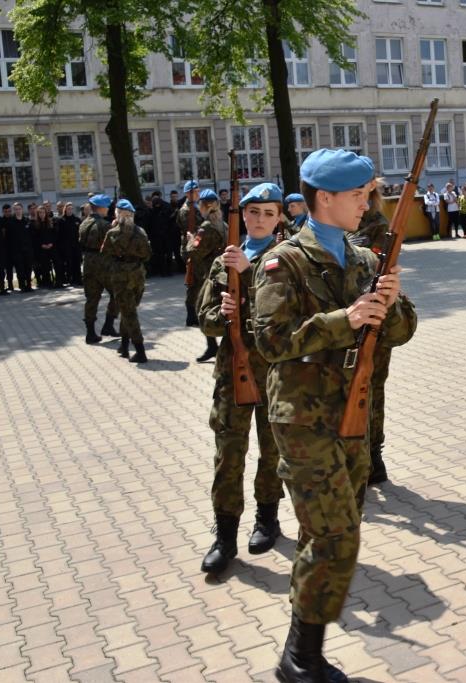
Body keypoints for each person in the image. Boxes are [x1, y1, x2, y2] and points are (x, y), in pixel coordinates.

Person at [250, 149, 416, 682]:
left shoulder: (365, 259)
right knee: (336, 534)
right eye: (357, 195)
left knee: (325, 531)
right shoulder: (284, 262)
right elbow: (271, 341)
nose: (366, 203)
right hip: (303, 417)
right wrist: (345, 320)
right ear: (325, 198)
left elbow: (402, 331)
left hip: (352, 412)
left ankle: (301, 652)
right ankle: (299, 660)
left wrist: (392, 305)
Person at [196, 182, 289, 574]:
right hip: (232, 372)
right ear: (242, 216)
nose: (260, 220)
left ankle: (267, 519)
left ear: (279, 218)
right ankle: (225, 535)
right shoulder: (224, 261)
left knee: (272, 449)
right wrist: (223, 315)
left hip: (274, 371)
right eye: (253, 212)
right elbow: (204, 318)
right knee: (228, 452)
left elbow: (287, 312)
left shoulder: (287, 258)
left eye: (269, 213)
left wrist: (248, 276)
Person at [349, 179, 397, 486]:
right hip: (346, 317)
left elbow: (374, 268)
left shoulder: (378, 224)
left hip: (374, 317)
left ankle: (374, 455)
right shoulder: (336, 222)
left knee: (373, 389)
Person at [101, 199, 151, 363]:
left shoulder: (112, 233)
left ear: (117, 214)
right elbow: (147, 254)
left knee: (129, 313)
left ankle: (140, 351)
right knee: (128, 310)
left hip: (121, 277)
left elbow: (105, 254)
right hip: (138, 276)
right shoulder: (141, 232)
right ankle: (124, 345)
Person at [186, 188, 227, 363]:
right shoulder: (223, 225)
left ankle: (213, 346)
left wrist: (190, 240)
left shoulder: (206, 227)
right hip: (222, 273)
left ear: (204, 206)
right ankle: (213, 346)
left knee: (201, 309)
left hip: (209, 273)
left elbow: (194, 252)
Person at [78, 194, 120, 344]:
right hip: (103, 263)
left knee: (91, 298)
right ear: (101, 208)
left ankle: (90, 333)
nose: (108, 209)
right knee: (117, 293)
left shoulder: (83, 223)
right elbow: (113, 243)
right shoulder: (104, 225)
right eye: (107, 206)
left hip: (88, 262)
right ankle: (108, 324)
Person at [178, 179, 201, 325]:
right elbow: (190, 229)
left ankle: (193, 314)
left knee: (197, 282)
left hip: (194, 247)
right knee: (193, 282)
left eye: (198, 191)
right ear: (187, 193)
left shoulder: (195, 207)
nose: (197, 194)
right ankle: (191, 315)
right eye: (194, 192)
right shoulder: (186, 210)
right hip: (190, 249)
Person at [8, 203, 34, 292]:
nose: (18, 211)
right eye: (16, 209)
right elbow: (9, 237)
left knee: (28, 268)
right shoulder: (11, 222)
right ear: (14, 211)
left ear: (22, 210)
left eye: (19, 209)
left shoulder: (27, 221)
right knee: (20, 269)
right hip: (17, 250)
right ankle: (22, 286)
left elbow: (32, 235)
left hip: (28, 249)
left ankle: (29, 285)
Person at [32, 205, 58, 289]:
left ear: (45, 213)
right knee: (45, 265)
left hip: (52, 246)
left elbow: (55, 234)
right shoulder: (35, 224)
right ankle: (47, 281)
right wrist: (41, 244)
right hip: (41, 248)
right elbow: (34, 237)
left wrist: (51, 243)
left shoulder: (51, 222)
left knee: (57, 262)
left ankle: (58, 280)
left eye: (43, 212)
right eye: (40, 213)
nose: (41, 214)